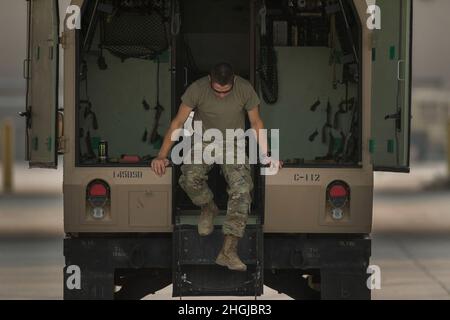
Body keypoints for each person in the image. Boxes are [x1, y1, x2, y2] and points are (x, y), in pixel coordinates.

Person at [151, 62, 281, 271]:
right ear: (210, 80)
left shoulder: (244, 88)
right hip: (204, 140)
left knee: (242, 190)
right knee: (189, 178)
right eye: (217, 91)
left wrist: (267, 155)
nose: (221, 95)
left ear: (233, 81)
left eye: (226, 91)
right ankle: (208, 207)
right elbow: (178, 122)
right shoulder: (197, 88)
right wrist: (161, 155)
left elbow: (256, 123)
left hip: (233, 142)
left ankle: (228, 251)